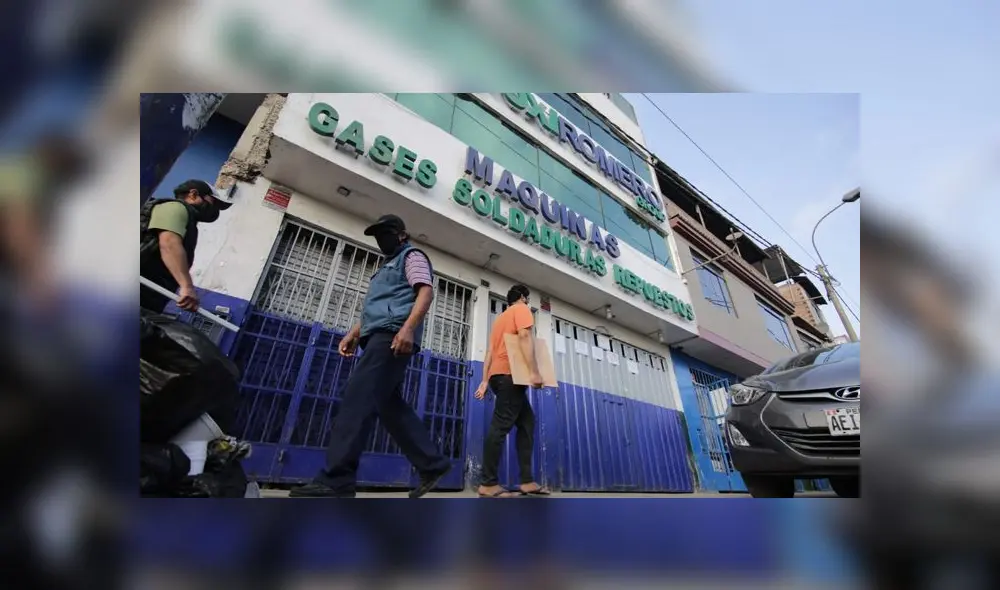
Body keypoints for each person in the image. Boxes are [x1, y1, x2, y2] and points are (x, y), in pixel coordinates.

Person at [291, 214, 451, 498]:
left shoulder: (412, 256)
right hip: (378, 335)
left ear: (401, 234)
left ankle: (337, 479)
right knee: (389, 406)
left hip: (392, 337)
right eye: (376, 235)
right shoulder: (385, 267)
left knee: (357, 401)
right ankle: (432, 463)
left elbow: (425, 293)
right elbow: (376, 308)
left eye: (385, 233)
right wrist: (354, 333)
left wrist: (407, 329)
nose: (381, 239)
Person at [474, 284, 550, 498]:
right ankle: (488, 483)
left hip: (498, 377)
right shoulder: (521, 310)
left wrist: (484, 380)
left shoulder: (499, 321)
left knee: (527, 422)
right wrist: (535, 372)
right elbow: (525, 337)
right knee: (500, 426)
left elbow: (489, 353)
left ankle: (526, 481)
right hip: (511, 375)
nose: (528, 302)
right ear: (523, 298)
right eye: (527, 298)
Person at [139, 179, 232, 314]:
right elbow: (169, 244)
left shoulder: (189, 220)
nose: (215, 209)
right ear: (193, 194)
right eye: (214, 202)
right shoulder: (177, 208)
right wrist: (187, 286)